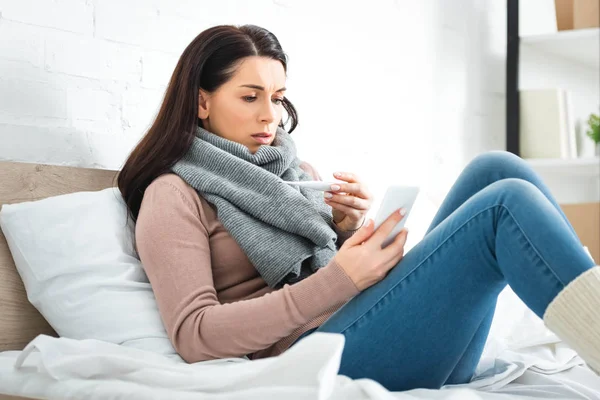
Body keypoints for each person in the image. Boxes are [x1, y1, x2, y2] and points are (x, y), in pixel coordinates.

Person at [117, 24, 600, 392]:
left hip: (361, 328)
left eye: (278, 98)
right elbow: (194, 335)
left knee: (498, 168)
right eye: (249, 97)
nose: (269, 115)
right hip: (313, 356)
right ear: (202, 102)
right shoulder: (173, 192)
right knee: (503, 206)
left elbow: (328, 266)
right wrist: (342, 278)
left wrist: (347, 230)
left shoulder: (293, 170)